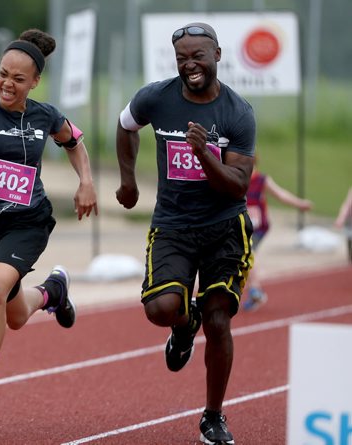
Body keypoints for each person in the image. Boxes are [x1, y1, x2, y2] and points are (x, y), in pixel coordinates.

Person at [0, 28, 98, 421]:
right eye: (3, 74)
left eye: (19, 78)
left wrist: (86, 182)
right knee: (14, 315)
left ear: (35, 82)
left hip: (27, 221)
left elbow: (74, 142)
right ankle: (52, 293)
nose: (8, 84)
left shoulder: (46, 116)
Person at [116, 23, 256, 444]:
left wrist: (204, 155)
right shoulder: (155, 97)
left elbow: (237, 183)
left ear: (217, 55)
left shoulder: (237, 112)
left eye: (198, 56)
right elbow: (125, 126)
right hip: (173, 225)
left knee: (218, 319)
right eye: (182, 58)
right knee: (160, 309)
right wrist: (128, 181)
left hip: (224, 227)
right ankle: (183, 322)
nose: (189, 65)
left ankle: (213, 417)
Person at [243, 161, 313, 310]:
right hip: (241, 226)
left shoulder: (262, 180)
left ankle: (255, 290)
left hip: (258, 228)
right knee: (243, 257)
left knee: (248, 252)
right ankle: (254, 291)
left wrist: (300, 204)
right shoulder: (236, 178)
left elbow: (281, 195)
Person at [334, 187, 352, 262]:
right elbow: (347, 205)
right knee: (349, 236)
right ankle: (350, 255)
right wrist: (341, 218)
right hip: (350, 218)